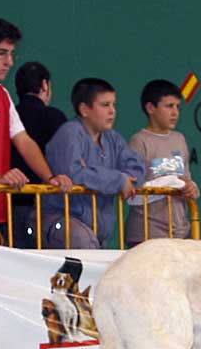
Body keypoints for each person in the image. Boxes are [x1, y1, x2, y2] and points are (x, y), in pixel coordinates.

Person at [0, 17, 72, 237]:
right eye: (1, 53)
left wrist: (50, 178)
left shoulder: (1, 94)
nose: (9, 62)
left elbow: (23, 140)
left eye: (12, 54)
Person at [43, 78, 146, 249]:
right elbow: (74, 174)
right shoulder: (69, 133)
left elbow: (136, 169)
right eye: (105, 105)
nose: (112, 111)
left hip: (98, 229)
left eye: (114, 105)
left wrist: (123, 179)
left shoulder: (113, 138)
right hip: (62, 221)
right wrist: (118, 180)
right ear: (84, 109)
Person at [125, 79, 199, 245]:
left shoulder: (179, 139)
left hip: (180, 234)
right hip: (147, 235)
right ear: (151, 108)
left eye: (177, 107)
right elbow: (132, 195)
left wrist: (191, 188)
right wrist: (170, 183)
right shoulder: (139, 141)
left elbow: (185, 179)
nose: (175, 112)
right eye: (169, 106)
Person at [11, 61, 68, 248]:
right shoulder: (54, 117)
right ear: (45, 85)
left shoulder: (10, 115)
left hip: (8, 202)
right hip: (45, 207)